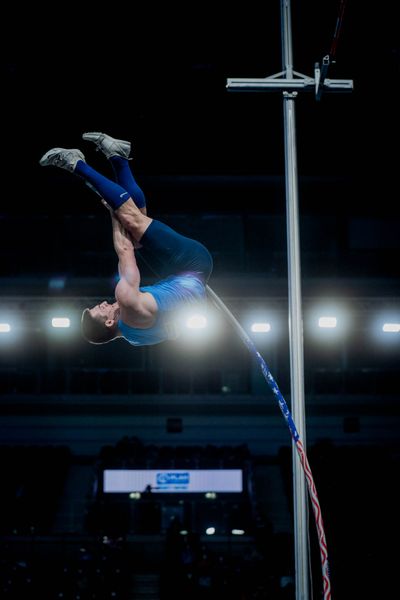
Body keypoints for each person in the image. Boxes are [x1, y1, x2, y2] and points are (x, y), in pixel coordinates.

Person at [39, 132, 213, 346]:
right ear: (110, 322)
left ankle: (119, 157)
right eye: (101, 310)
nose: (103, 303)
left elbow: (174, 332)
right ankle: (76, 164)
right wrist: (114, 212)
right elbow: (124, 249)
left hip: (178, 276)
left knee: (137, 232)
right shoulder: (127, 300)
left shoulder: (135, 339)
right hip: (191, 263)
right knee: (132, 221)